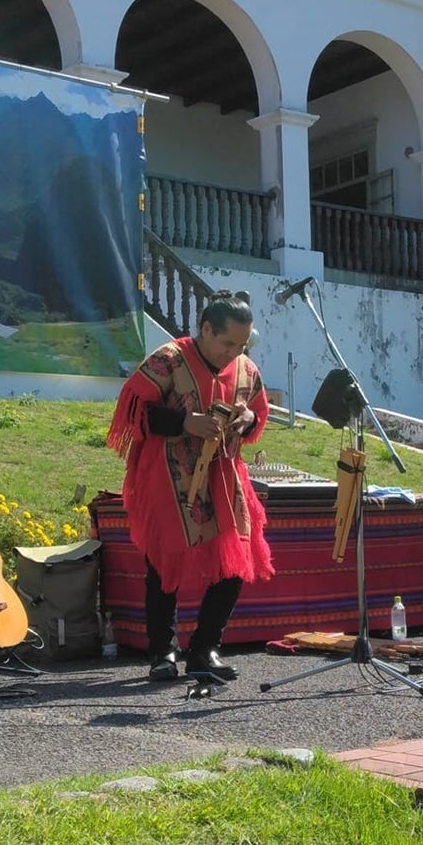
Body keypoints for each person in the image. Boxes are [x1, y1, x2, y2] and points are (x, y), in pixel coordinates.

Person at [106, 291, 273, 681]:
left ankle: (205, 649)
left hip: (224, 476)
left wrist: (245, 419)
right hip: (168, 475)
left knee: (234, 564)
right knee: (164, 565)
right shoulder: (169, 359)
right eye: (227, 342)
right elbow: (134, 410)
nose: (234, 353)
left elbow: (258, 414)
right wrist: (184, 423)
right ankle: (163, 653)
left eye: (241, 345)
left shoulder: (246, 369)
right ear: (205, 329)